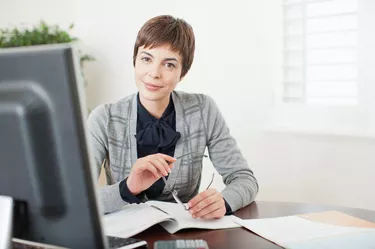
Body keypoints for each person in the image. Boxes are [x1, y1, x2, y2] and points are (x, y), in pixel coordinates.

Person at [88, 15, 258, 219]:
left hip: (184, 233)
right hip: (124, 236)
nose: (154, 73)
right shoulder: (104, 118)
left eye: (169, 64)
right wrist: (127, 188)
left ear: (182, 73)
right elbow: (76, 201)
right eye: (146, 59)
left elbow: (244, 179)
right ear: (135, 61)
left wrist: (224, 201)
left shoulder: (203, 110)